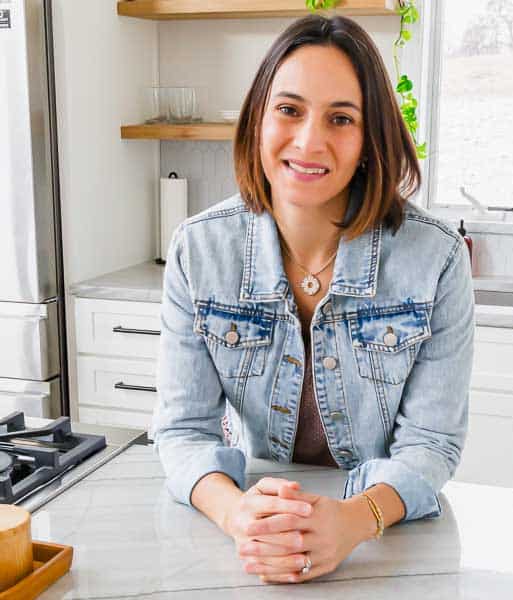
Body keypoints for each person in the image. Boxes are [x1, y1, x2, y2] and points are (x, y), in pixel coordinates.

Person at [152, 14, 474, 585]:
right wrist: (238, 516)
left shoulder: (438, 258)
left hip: (387, 541)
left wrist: (354, 521)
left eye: (341, 118)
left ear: (370, 139)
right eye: (289, 109)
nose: (308, 141)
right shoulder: (197, 250)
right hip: (255, 535)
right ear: (258, 117)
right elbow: (182, 432)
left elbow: (431, 443)